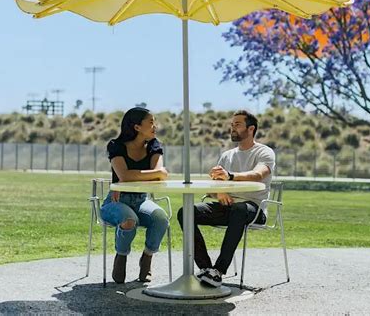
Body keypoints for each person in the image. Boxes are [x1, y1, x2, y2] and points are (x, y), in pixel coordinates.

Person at [177, 110, 274, 288]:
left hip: (254, 209)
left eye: (237, 124)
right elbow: (215, 183)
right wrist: (219, 192)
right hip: (227, 208)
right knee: (186, 212)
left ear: (251, 128)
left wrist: (229, 176)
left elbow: (258, 174)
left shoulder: (264, 152)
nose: (232, 128)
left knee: (239, 209)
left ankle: (219, 270)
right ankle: (206, 268)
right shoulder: (227, 155)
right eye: (232, 125)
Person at [100, 107, 169, 284]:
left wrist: (130, 178)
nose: (155, 126)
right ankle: (121, 257)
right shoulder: (116, 146)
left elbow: (159, 175)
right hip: (115, 202)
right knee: (129, 219)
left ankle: (147, 259)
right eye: (151, 122)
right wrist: (127, 179)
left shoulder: (154, 145)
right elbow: (126, 175)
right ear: (137, 127)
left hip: (141, 200)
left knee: (161, 218)